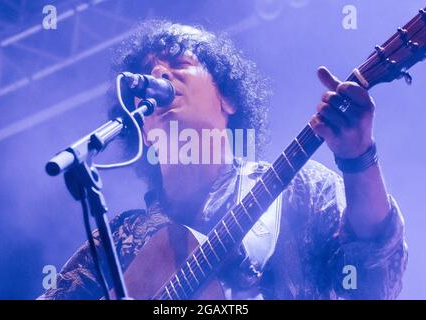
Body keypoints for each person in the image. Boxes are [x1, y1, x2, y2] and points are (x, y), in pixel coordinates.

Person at [39, 20, 407, 300]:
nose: (159, 74)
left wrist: (359, 159)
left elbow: (375, 282)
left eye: (179, 64)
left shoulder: (299, 186)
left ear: (228, 100)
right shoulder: (119, 239)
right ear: (144, 128)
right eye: (150, 71)